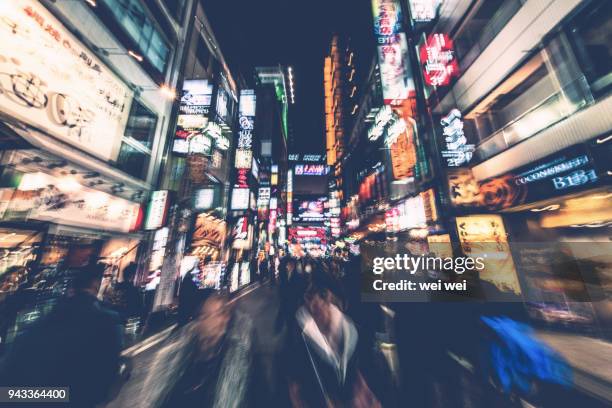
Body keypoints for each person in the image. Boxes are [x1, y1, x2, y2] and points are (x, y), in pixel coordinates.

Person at [0, 263, 123, 407]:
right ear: (96, 286)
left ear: (71, 290)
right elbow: (104, 385)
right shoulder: (108, 321)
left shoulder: (45, 318)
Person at [141, 292, 255, 407]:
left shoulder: (240, 359)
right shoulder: (172, 359)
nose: (220, 320)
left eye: (222, 313)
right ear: (196, 322)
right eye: (207, 316)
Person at [285, 282, 380, 408]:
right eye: (309, 298)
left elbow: (359, 373)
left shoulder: (352, 333)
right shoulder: (299, 337)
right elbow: (294, 385)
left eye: (322, 297)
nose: (315, 304)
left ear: (330, 299)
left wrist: (364, 392)